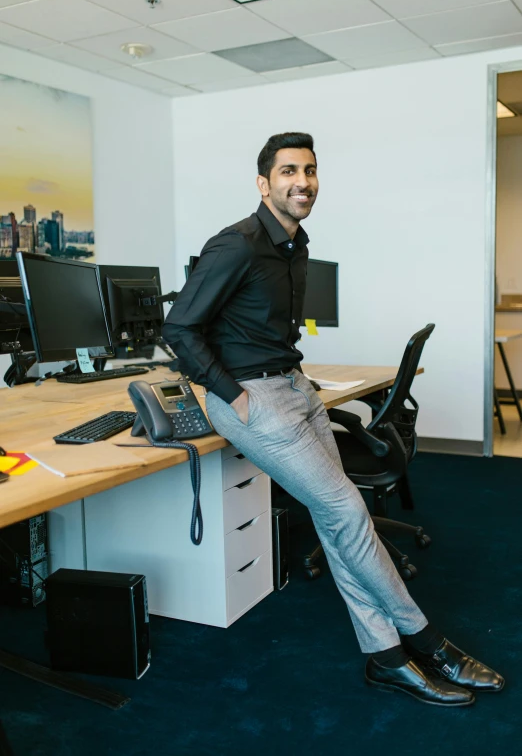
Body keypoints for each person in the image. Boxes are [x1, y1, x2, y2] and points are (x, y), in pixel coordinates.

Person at [162, 132, 503, 706]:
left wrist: (295, 381)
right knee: (346, 509)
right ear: (263, 182)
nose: (303, 182)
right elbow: (179, 329)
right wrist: (235, 397)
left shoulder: (295, 246)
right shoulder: (237, 245)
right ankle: (430, 642)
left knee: (337, 519)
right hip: (254, 399)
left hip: (294, 389)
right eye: (289, 171)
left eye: (310, 171)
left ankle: (386, 658)